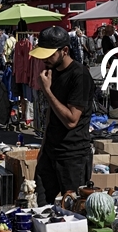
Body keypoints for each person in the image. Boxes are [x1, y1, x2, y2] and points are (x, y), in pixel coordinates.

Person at [30, 26, 94, 205]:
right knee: (39, 204)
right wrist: (43, 148)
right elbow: (52, 112)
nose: (44, 59)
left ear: (64, 50)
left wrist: (47, 90)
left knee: (72, 209)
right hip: (50, 152)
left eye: (49, 54)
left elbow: (72, 120)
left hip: (72, 156)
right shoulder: (53, 72)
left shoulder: (79, 75)